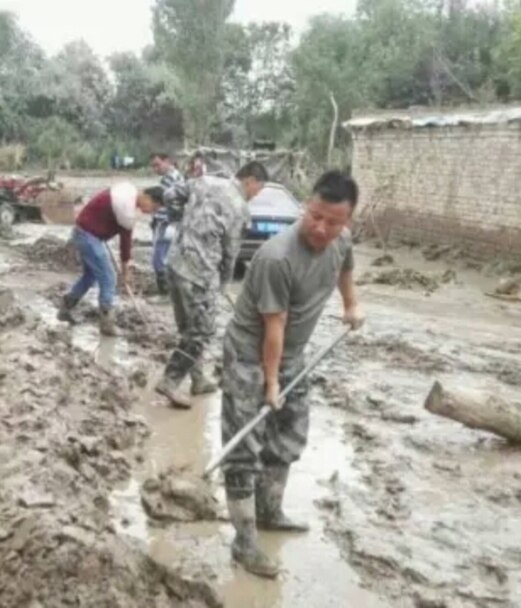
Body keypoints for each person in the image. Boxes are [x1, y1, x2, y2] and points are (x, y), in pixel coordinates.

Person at [219, 170, 365, 578]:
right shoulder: (276, 257)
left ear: (346, 221)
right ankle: (244, 542)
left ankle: (269, 511)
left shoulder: (342, 241)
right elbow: (274, 327)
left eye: (332, 222)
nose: (320, 228)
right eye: (314, 216)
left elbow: (345, 268)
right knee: (243, 445)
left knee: (289, 434)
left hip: (292, 354)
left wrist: (351, 304)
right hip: (251, 354)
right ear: (306, 206)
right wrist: (270, 384)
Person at [154, 174, 248, 408]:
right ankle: (170, 381)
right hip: (199, 275)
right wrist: (224, 282)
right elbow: (230, 252)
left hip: (174, 263)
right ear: (253, 182)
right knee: (202, 331)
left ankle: (198, 379)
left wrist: (178, 218)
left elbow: (168, 195)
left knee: (188, 328)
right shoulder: (239, 206)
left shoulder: (203, 181)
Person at [57, 183, 163, 336]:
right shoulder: (126, 208)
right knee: (109, 277)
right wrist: (125, 272)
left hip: (83, 232)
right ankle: (107, 324)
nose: (151, 212)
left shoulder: (125, 194)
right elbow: (125, 246)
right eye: (154, 207)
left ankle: (66, 307)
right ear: (147, 197)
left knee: (90, 276)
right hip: (88, 236)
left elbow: (108, 219)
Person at [149, 153, 186, 295]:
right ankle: (168, 291)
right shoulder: (174, 177)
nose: (155, 169)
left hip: (167, 222)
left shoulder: (171, 179)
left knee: (159, 258)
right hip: (169, 222)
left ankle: (164, 294)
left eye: (158, 164)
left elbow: (168, 202)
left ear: (167, 161)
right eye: (153, 166)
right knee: (165, 256)